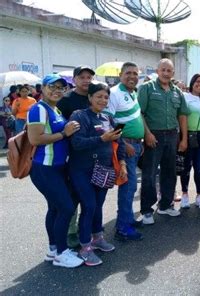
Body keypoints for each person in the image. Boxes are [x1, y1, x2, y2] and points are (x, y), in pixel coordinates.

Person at [27, 74, 83, 268]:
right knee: (66, 207)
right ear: (43, 88)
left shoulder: (55, 109)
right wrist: (63, 133)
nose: (57, 90)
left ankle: (53, 250)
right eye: (53, 86)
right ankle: (61, 252)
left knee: (55, 208)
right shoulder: (38, 109)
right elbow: (35, 139)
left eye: (61, 87)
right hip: (45, 168)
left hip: (58, 168)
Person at [69, 83, 126, 266]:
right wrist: (102, 139)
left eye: (106, 97)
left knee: (98, 205)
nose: (103, 100)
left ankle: (97, 238)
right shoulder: (79, 115)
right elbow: (76, 143)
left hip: (105, 168)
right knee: (89, 205)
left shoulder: (108, 117)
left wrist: (122, 163)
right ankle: (85, 247)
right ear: (90, 98)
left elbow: (120, 141)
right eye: (98, 96)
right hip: (82, 169)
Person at [138, 58, 189, 224]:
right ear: (158, 71)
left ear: (173, 73)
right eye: (163, 70)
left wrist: (183, 139)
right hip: (154, 136)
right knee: (150, 173)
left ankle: (165, 205)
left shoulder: (177, 92)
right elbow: (140, 113)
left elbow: (182, 116)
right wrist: (147, 134)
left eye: (169, 71)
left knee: (169, 172)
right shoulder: (147, 88)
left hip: (172, 135)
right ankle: (146, 210)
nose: (166, 73)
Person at [104, 62, 144, 241]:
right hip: (125, 146)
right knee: (128, 187)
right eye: (128, 73)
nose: (132, 77)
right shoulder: (114, 93)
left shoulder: (132, 92)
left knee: (131, 185)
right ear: (120, 75)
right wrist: (122, 144)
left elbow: (134, 117)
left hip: (135, 145)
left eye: (135, 74)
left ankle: (127, 218)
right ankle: (123, 227)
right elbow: (108, 122)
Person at [57, 65, 95, 249]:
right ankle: (70, 231)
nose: (86, 80)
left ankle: (84, 227)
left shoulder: (93, 97)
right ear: (74, 79)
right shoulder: (65, 100)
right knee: (72, 194)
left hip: (91, 153)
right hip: (71, 155)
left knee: (88, 195)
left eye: (89, 77)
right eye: (82, 77)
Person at [179, 74, 200, 210]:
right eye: (198, 81)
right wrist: (183, 139)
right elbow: (182, 117)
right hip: (189, 135)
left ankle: (199, 195)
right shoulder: (185, 97)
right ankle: (185, 194)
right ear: (192, 82)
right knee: (186, 167)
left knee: (199, 168)